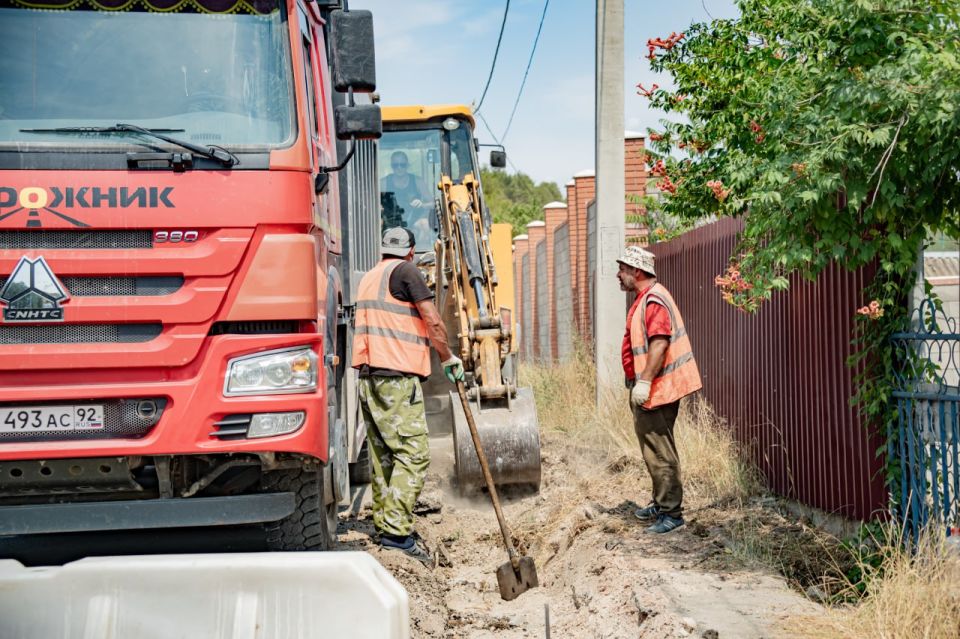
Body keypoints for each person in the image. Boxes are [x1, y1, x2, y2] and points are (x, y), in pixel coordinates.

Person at [352, 227, 465, 565]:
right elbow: (432, 320)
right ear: (412, 252)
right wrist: (448, 357)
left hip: (369, 377)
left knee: (385, 456)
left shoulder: (370, 276)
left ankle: (386, 525)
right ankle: (397, 535)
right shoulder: (408, 272)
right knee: (413, 455)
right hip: (397, 379)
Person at [617, 246, 702, 534]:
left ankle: (672, 514)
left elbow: (659, 343)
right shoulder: (646, 299)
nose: (619, 275)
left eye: (623, 270)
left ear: (637, 272)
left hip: (657, 389)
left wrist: (644, 382)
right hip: (655, 387)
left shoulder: (653, 301)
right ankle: (660, 502)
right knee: (654, 448)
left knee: (660, 451)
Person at [380, 151, 432, 245]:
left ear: (407, 165)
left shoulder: (417, 181)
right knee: (378, 223)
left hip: (413, 220)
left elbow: (433, 203)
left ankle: (422, 253)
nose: (399, 168)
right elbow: (373, 203)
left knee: (425, 224)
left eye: (402, 165)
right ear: (392, 166)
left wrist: (422, 204)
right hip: (390, 221)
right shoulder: (383, 183)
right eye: (396, 165)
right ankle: (380, 254)